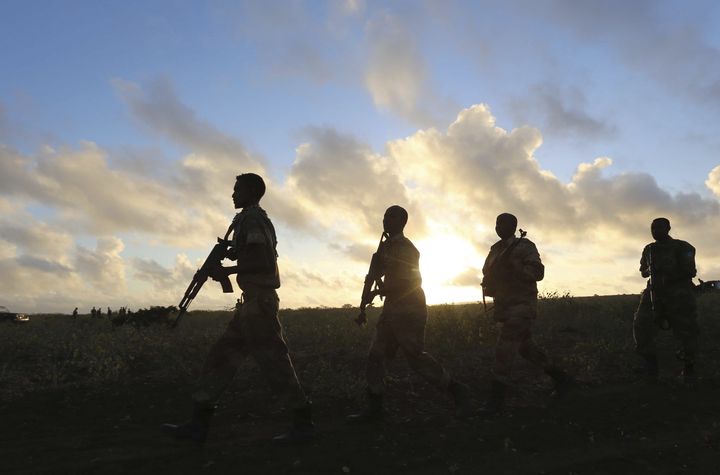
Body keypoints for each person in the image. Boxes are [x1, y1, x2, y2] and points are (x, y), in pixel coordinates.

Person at [162, 173, 315, 445]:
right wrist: (231, 255)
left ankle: (303, 422)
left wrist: (227, 270)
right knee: (219, 359)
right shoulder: (245, 220)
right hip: (250, 306)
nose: (233, 194)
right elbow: (252, 255)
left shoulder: (253, 219)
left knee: (275, 363)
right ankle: (198, 425)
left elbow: (264, 263)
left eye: (237, 189)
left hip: (259, 304)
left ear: (252, 191)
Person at [346, 205, 471, 423]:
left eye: (391, 217)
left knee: (415, 357)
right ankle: (375, 408)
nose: (385, 220)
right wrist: (363, 302)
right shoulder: (384, 249)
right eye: (384, 216)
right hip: (392, 309)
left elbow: (411, 282)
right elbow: (372, 275)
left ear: (402, 222)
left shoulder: (407, 249)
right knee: (376, 355)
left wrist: (378, 290)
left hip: (410, 309)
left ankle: (456, 390)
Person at [479, 213, 571, 416]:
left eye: (503, 223)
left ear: (514, 226)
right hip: (505, 306)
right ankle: (561, 377)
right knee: (525, 349)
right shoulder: (495, 250)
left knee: (504, 349)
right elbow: (487, 273)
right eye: (496, 223)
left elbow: (538, 272)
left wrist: (516, 269)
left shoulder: (525, 246)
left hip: (521, 306)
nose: (498, 226)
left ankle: (496, 400)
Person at [633, 217, 698, 384]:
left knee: (686, 333)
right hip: (654, 293)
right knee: (642, 326)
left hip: (679, 295)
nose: (655, 231)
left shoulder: (683, 247)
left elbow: (690, 271)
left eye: (659, 227)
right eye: (653, 228)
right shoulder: (649, 249)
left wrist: (667, 274)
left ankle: (688, 370)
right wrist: (650, 270)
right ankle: (651, 370)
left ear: (668, 228)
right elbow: (643, 271)